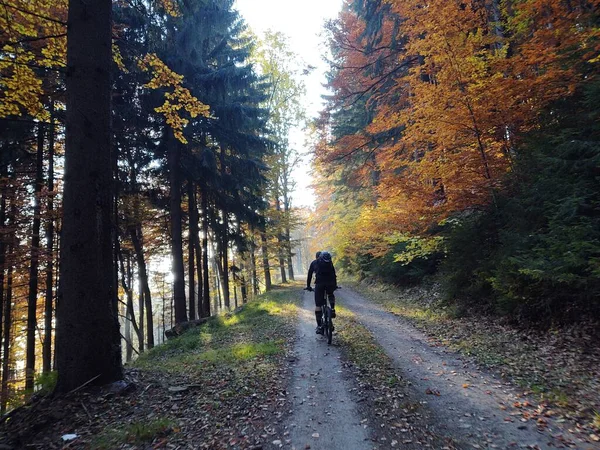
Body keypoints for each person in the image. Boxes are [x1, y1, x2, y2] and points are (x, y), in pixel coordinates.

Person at [306, 251, 337, 334]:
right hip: (330, 284)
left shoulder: (314, 263)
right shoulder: (330, 263)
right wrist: (335, 285)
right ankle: (333, 309)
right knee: (330, 294)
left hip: (319, 285)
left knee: (318, 305)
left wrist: (308, 286)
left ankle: (319, 326)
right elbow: (333, 274)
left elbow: (309, 275)